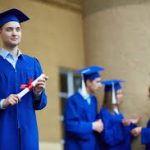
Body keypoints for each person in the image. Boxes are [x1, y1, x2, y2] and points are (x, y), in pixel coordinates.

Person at [0, 8, 48, 150]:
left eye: (18, 29)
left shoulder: (32, 63)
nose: (14, 33)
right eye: (9, 29)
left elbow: (41, 104)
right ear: (0, 32)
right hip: (3, 132)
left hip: (29, 134)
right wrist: (3, 102)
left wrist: (38, 92)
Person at [64, 66, 105, 150]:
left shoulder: (93, 100)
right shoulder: (73, 100)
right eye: (97, 82)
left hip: (91, 144)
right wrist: (92, 126)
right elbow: (70, 126)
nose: (100, 85)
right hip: (76, 146)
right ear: (88, 82)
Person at [99, 79, 139, 150]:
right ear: (111, 95)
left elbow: (124, 134)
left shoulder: (117, 112)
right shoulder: (104, 113)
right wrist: (122, 125)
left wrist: (132, 125)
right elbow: (107, 138)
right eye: (118, 94)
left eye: (122, 93)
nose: (121, 96)